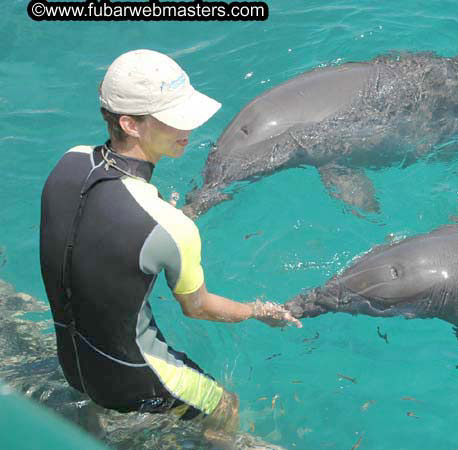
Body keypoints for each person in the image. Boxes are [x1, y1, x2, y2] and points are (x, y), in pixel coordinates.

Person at [39, 49, 301, 442]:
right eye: (174, 118)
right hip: (130, 379)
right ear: (130, 124)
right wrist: (257, 311)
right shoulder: (172, 226)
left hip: (73, 364)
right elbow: (198, 308)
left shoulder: (67, 162)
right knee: (224, 404)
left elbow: (101, 230)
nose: (188, 128)